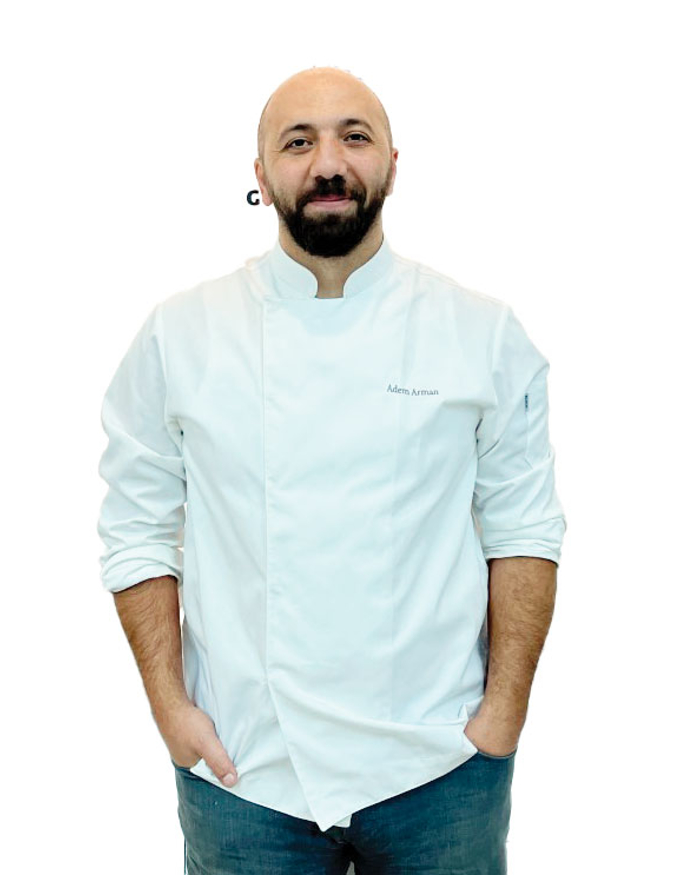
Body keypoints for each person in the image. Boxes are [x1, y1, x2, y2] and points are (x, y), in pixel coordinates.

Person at [97, 65, 567, 874]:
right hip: (244, 771)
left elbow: (523, 528)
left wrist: (503, 716)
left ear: (392, 163)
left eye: (354, 137)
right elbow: (136, 529)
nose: (328, 164)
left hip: (440, 765)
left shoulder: (481, 332)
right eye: (298, 142)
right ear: (260, 173)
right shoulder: (181, 335)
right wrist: (171, 709)